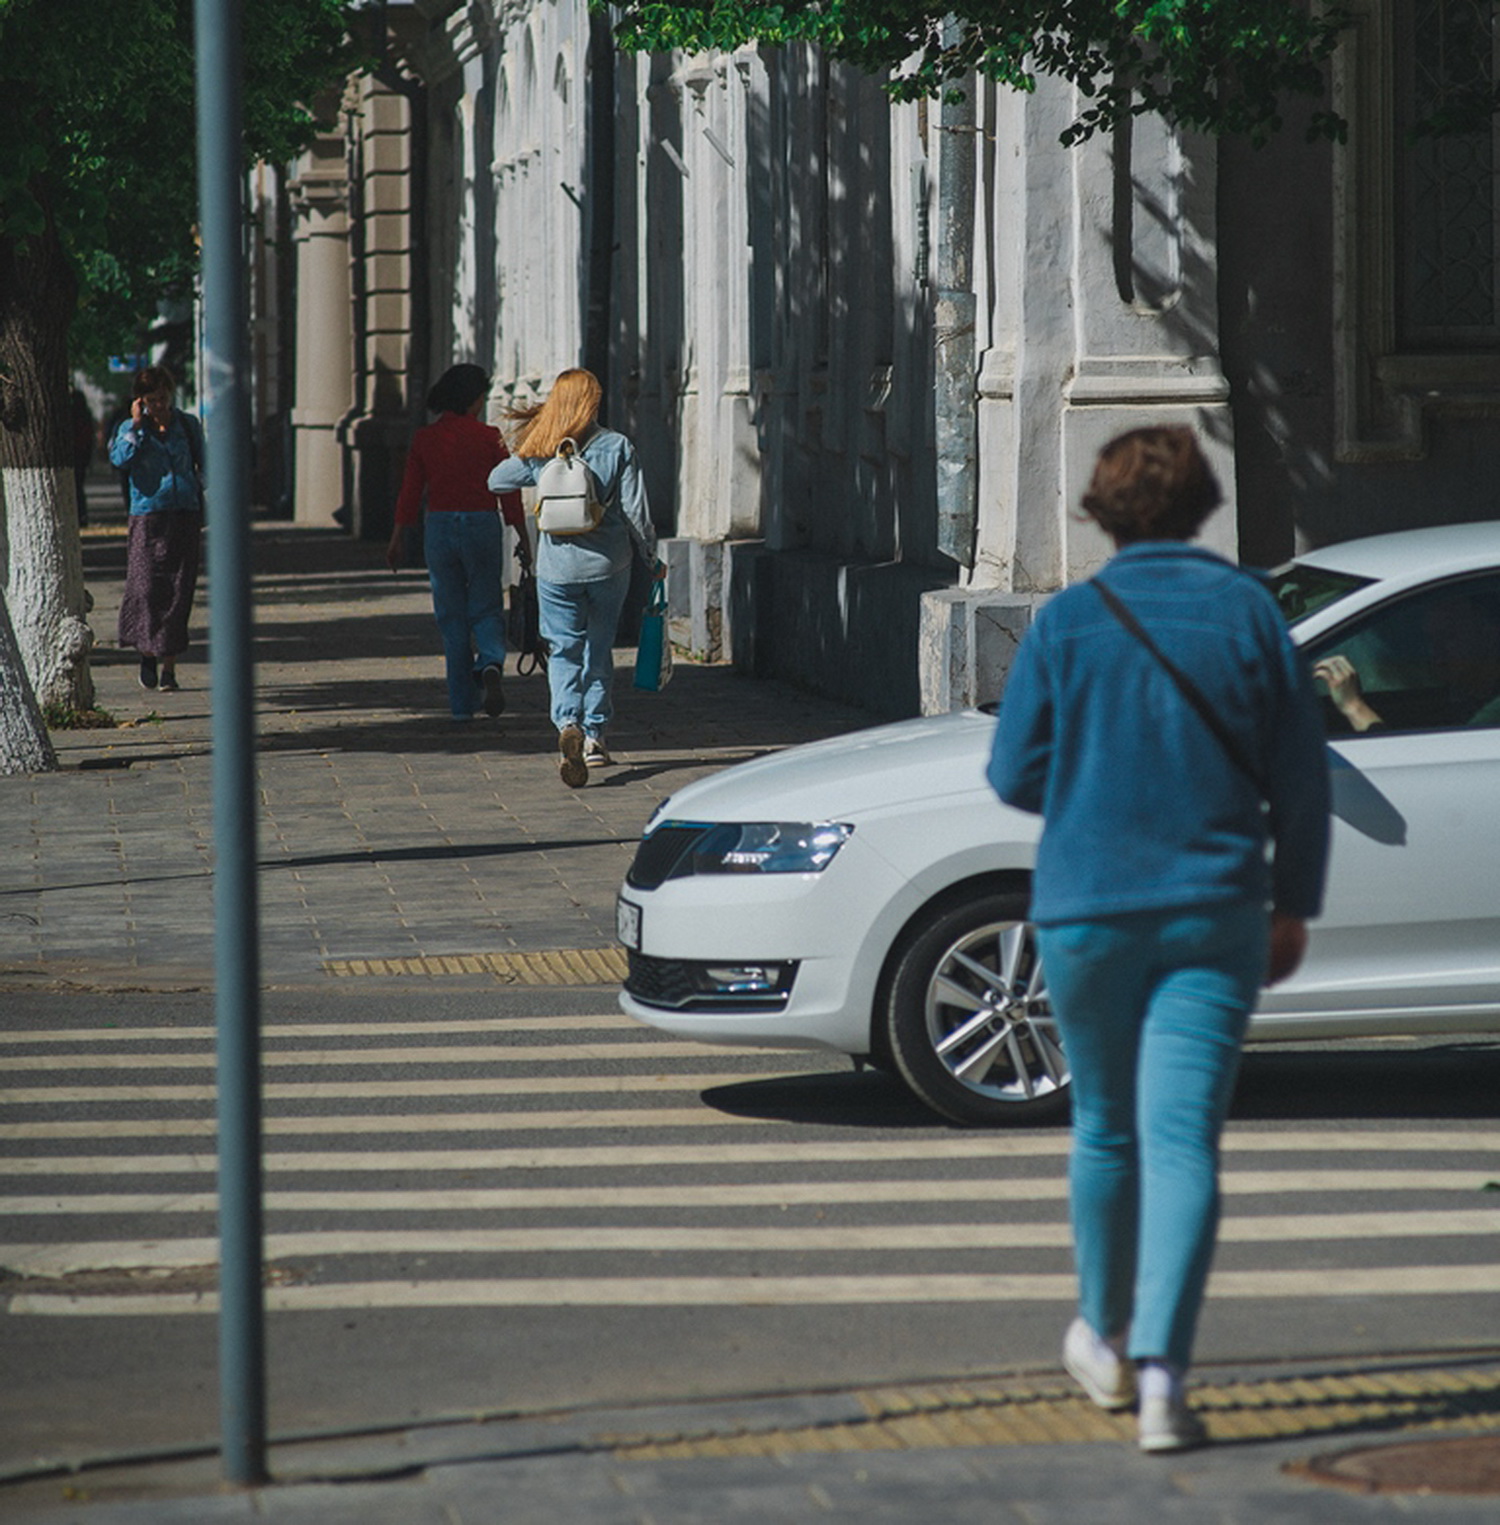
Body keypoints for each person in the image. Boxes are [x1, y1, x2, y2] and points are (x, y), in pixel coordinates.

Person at [987, 426, 1331, 1454]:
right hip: (1215, 906)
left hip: (1086, 906)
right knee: (1184, 1138)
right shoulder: (1249, 612)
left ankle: (1103, 1331)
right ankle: (1167, 1378)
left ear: (1103, 508)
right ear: (1203, 503)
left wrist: (1093, 794)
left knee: (1104, 1126)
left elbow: (1011, 775)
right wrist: (1292, 902)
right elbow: (1303, 778)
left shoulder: (1070, 620)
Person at [487, 368, 659, 787]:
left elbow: (496, 481)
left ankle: (567, 723)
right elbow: (637, 513)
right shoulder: (617, 446)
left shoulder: (545, 449)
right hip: (608, 566)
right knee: (598, 650)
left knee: (563, 649)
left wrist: (538, 441)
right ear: (594, 403)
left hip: (556, 571)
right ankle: (595, 738)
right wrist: (652, 559)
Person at [387, 364, 527, 722]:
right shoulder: (490, 436)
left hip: (441, 525)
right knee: (486, 604)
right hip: (482, 522)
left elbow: (410, 491)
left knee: (451, 618)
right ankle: (491, 661)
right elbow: (507, 490)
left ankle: (462, 706)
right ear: (473, 399)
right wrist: (522, 535)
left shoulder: (425, 439)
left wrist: (399, 535)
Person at [109, 367, 205, 691]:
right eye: (151, 401)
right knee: (146, 590)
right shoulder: (131, 429)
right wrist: (136, 425)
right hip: (147, 518)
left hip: (184, 516)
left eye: (162, 398)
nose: (159, 406)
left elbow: (204, 464)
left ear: (170, 393)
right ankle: (147, 653)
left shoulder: (188, 426)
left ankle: (169, 669)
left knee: (179, 594)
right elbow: (119, 460)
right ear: (140, 401)